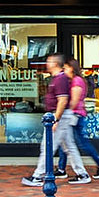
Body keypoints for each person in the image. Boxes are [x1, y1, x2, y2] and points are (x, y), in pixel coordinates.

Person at [23, 52, 89, 187]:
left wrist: (56, 119)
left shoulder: (60, 79)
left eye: (49, 61)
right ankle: (82, 174)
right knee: (69, 146)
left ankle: (38, 175)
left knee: (48, 145)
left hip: (60, 116)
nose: (47, 64)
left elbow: (63, 100)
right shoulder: (58, 78)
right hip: (62, 116)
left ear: (55, 64)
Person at [52, 57, 99, 181]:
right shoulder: (76, 80)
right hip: (74, 115)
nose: (64, 70)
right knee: (66, 142)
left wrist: (65, 113)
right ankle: (62, 169)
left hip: (75, 116)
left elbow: (74, 101)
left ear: (72, 68)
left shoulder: (77, 81)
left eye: (66, 68)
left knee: (80, 143)